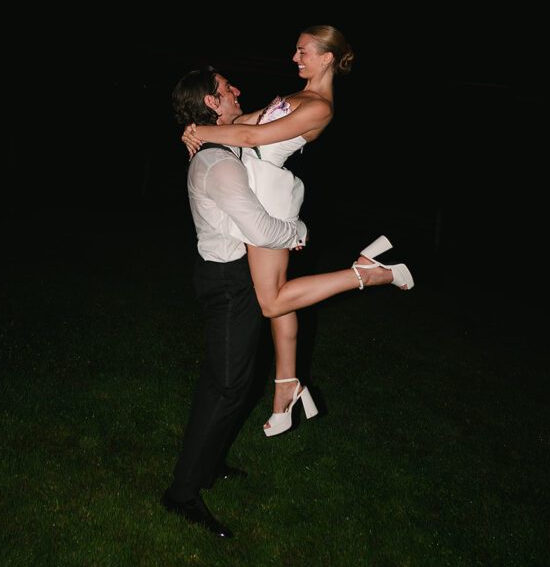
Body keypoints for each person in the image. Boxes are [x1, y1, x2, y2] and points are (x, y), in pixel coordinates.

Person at [163, 65, 413, 539]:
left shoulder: (229, 144)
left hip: (236, 276)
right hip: (225, 283)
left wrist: (195, 128)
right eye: (225, 88)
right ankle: (181, 492)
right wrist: (299, 233)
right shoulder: (218, 164)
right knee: (226, 386)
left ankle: (209, 465)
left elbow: (262, 120)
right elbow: (260, 229)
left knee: (236, 381)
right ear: (214, 102)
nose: (237, 89)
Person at [181, 26, 409, 438]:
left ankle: (371, 273)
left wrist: (202, 133)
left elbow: (253, 136)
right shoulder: (296, 96)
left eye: (303, 51)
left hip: (269, 198)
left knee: (271, 302)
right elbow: (246, 121)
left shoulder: (320, 106)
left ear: (326, 58)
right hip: (263, 189)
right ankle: (286, 386)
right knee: (279, 296)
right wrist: (199, 127)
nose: (294, 57)